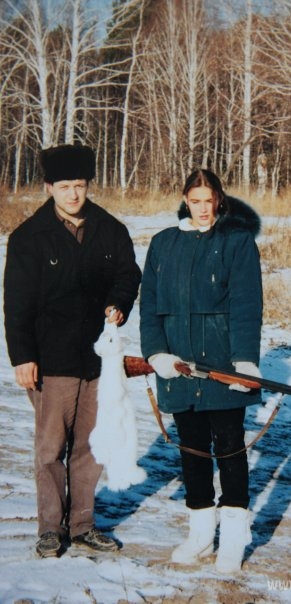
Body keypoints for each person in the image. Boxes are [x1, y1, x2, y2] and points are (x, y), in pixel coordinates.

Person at [3, 144, 142, 558]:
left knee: (90, 447)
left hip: (98, 361)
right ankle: (50, 528)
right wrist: (22, 357)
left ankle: (82, 525)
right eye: (64, 187)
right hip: (51, 361)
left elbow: (127, 274)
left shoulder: (110, 229)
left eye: (79, 186)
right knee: (50, 449)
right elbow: (17, 304)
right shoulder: (29, 237)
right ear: (49, 187)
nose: (73, 195)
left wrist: (119, 302)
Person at [140, 169, 263, 574]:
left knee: (230, 450)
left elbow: (247, 305)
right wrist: (156, 352)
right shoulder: (163, 244)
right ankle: (199, 536)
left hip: (224, 367)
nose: (203, 208)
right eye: (195, 200)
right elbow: (149, 305)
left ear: (219, 200)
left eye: (209, 200)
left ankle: (231, 541)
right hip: (178, 367)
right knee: (191, 452)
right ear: (185, 200)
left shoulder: (237, 242)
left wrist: (245, 361)